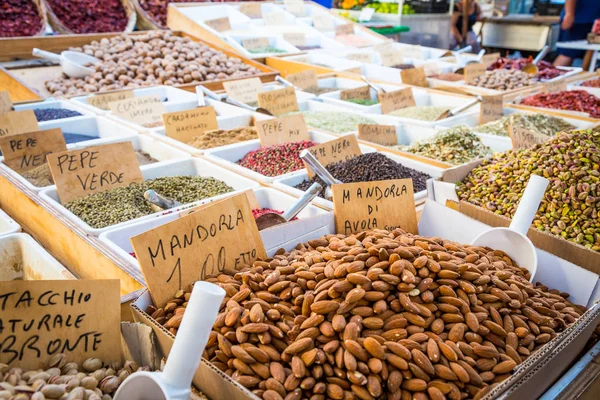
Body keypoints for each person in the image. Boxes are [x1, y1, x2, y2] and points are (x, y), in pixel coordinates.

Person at [554, 0, 600, 66]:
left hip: (593, 19)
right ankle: (550, 74)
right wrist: (569, 13)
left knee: (592, 53)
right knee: (567, 54)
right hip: (578, 19)